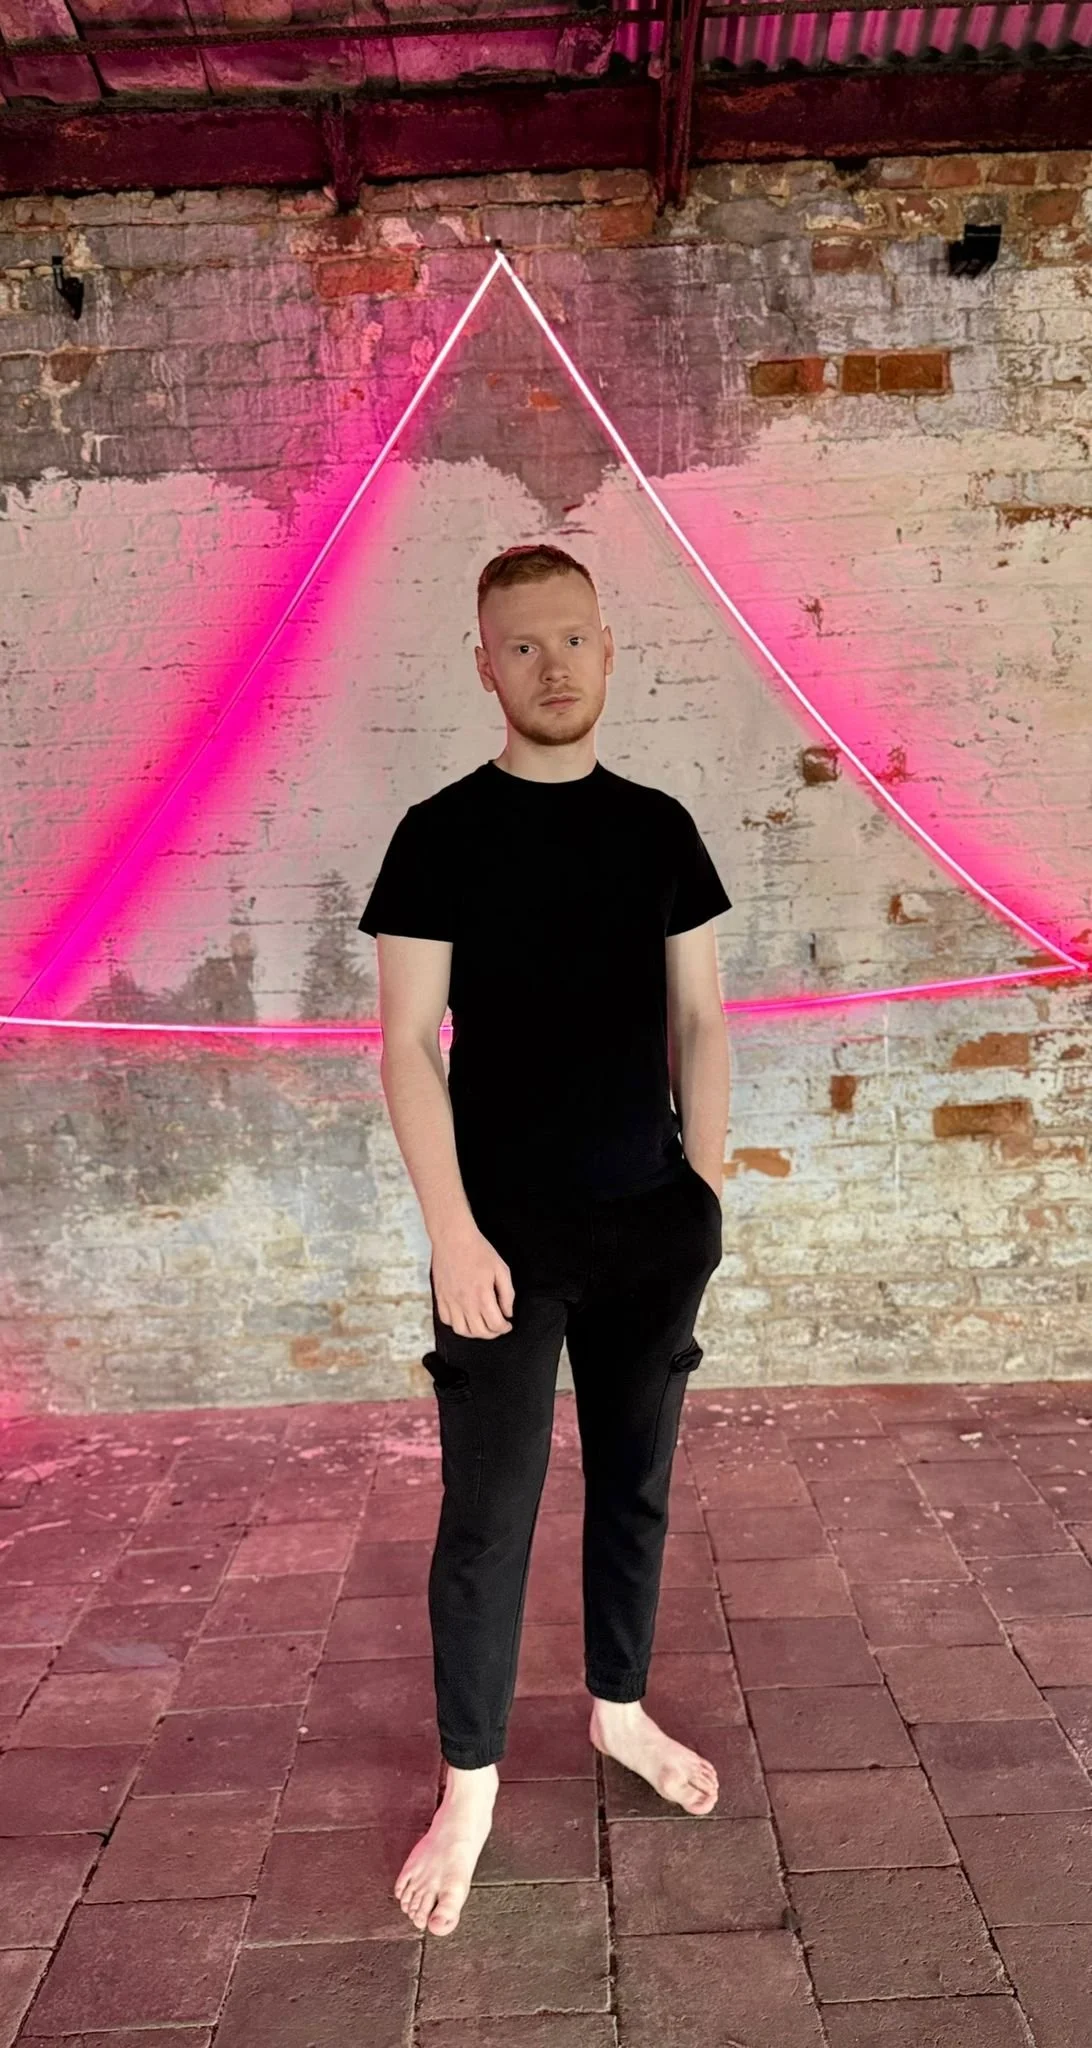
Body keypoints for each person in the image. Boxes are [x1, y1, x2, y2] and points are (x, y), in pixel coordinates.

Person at [357, 542, 733, 1938]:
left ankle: (619, 1712)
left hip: (651, 1229)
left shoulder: (660, 830)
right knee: (489, 1520)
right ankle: (471, 1788)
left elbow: (699, 1022)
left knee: (634, 1487)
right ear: (484, 663)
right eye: (524, 645)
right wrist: (451, 1231)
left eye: (573, 639)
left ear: (609, 648)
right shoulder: (440, 835)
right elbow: (405, 1047)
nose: (554, 665)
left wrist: (701, 1191)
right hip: (501, 1238)